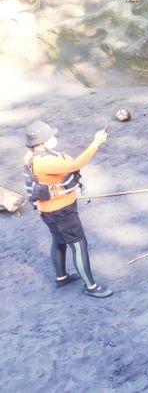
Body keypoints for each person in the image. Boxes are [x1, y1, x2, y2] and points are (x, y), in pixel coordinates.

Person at [23, 120, 112, 298]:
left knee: (59, 240)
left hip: (49, 211)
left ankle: (61, 276)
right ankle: (91, 286)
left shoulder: (32, 156)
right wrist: (96, 143)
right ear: (41, 142)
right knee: (79, 245)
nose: (53, 138)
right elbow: (75, 165)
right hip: (62, 212)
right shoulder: (44, 161)